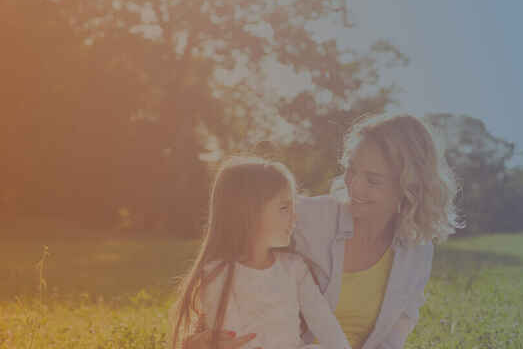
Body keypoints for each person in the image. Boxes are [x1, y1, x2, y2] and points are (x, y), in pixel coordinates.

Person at [181, 113, 461, 349]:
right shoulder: (307, 217)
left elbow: (400, 326)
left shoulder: (417, 251)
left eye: (373, 180)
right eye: (351, 170)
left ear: (409, 187)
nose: (354, 187)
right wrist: (198, 340)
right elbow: (237, 258)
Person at [169, 156, 351, 349]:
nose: (294, 216)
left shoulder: (293, 267)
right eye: (284, 208)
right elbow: (236, 339)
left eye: (293, 207)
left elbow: (323, 321)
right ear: (249, 212)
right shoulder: (217, 273)